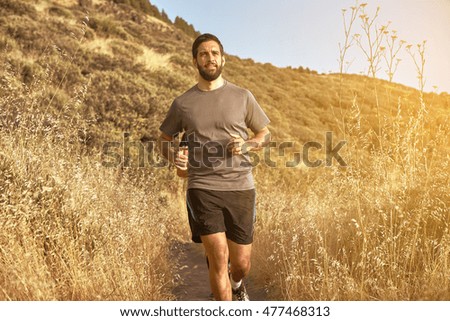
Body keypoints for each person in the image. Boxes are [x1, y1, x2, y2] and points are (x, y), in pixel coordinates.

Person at [158, 33, 270, 301]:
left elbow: (264, 134)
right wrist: (174, 156)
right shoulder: (183, 103)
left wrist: (247, 145)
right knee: (218, 257)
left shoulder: (242, 96)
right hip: (202, 187)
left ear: (223, 59)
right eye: (203, 54)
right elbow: (163, 140)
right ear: (195, 61)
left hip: (240, 187)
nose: (210, 58)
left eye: (214, 53)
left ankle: (236, 284)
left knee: (241, 263)